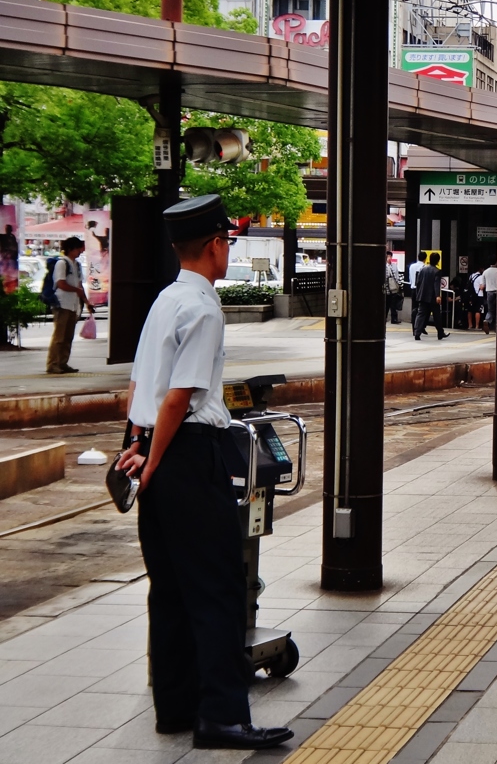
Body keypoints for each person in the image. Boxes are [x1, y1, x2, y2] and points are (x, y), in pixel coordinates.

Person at [115, 195, 293, 751]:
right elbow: (178, 398)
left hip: (153, 451)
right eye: (228, 242)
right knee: (217, 588)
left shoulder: (165, 300)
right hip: (189, 456)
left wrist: (139, 450)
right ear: (214, 245)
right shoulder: (205, 307)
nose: (228, 252)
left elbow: (137, 391)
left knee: (168, 589)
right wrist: (160, 458)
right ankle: (221, 715)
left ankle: (175, 707)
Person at [46, 236, 95, 374]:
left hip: (73, 304)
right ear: (71, 249)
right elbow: (61, 283)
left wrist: (86, 302)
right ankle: (53, 363)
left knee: (68, 337)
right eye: (78, 248)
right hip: (62, 303)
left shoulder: (77, 265)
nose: (80, 251)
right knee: (59, 337)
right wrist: (76, 290)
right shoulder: (62, 263)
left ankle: (63, 362)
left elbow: (79, 285)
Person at [413, 252, 448, 340]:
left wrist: (419, 294)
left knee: (420, 314)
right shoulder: (437, 271)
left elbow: (418, 282)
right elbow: (436, 284)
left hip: (422, 295)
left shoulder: (422, 269)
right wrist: (438, 296)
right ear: (438, 261)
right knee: (437, 315)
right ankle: (440, 333)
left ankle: (417, 333)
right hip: (432, 297)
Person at [408, 251, 427, 333]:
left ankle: (414, 328)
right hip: (421, 290)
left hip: (413, 289)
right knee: (423, 309)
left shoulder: (412, 266)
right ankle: (420, 326)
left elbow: (410, 279)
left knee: (414, 309)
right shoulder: (424, 267)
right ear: (425, 259)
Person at [385, 252, 404, 325]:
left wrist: (399, 285)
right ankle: (385, 317)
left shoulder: (394, 266)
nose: (389, 258)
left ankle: (394, 318)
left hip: (394, 287)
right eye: (388, 256)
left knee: (393, 304)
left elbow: (397, 276)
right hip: (387, 288)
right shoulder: (384, 266)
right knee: (386, 304)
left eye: (390, 256)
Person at [466, 264, 485, 330]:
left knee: (470, 310)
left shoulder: (471, 276)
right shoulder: (481, 277)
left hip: (471, 295)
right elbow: (481, 287)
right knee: (478, 310)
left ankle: (470, 325)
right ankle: (477, 326)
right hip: (479, 295)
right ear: (480, 269)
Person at [482, 258, 497, 334]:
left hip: (489, 292)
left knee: (490, 310)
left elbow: (482, 286)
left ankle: (487, 320)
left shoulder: (485, 272)